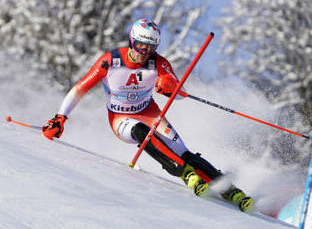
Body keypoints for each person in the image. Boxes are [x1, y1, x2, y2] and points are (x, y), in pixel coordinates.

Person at [42, 19, 254, 212]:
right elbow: (80, 88)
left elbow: (178, 94)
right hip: (120, 118)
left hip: (149, 112)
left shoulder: (159, 63)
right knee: (141, 132)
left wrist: (170, 86)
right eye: (140, 45)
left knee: (182, 150)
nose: (144, 51)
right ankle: (186, 174)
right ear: (131, 41)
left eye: (150, 47)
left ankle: (232, 192)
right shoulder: (111, 61)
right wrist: (61, 117)